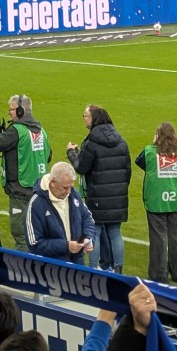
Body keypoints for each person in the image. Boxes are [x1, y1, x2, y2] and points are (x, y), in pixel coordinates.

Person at [0, 93, 51, 249]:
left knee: (21, 234)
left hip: (21, 190)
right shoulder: (41, 131)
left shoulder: (17, 130)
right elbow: (48, 155)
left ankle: (24, 270)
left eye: (12, 109)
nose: (9, 112)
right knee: (37, 233)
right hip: (40, 190)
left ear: (21, 111)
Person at [67, 104, 131, 271]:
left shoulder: (92, 142)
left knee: (94, 231)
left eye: (85, 117)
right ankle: (118, 270)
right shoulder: (121, 141)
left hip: (97, 196)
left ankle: (94, 268)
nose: (84, 120)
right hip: (118, 197)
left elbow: (81, 167)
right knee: (115, 233)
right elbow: (127, 171)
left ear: (94, 119)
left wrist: (72, 153)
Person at [135, 121, 177, 284]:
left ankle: (158, 273)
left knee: (158, 238)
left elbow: (140, 162)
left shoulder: (149, 152)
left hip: (156, 201)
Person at [25, 160, 96, 262]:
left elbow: (88, 218)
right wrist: (66, 246)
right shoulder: (36, 204)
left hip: (77, 264)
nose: (68, 192)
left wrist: (89, 238)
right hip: (51, 267)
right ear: (53, 182)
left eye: (71, 187)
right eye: (65, 188)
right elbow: (34, 244)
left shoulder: (73, 195)